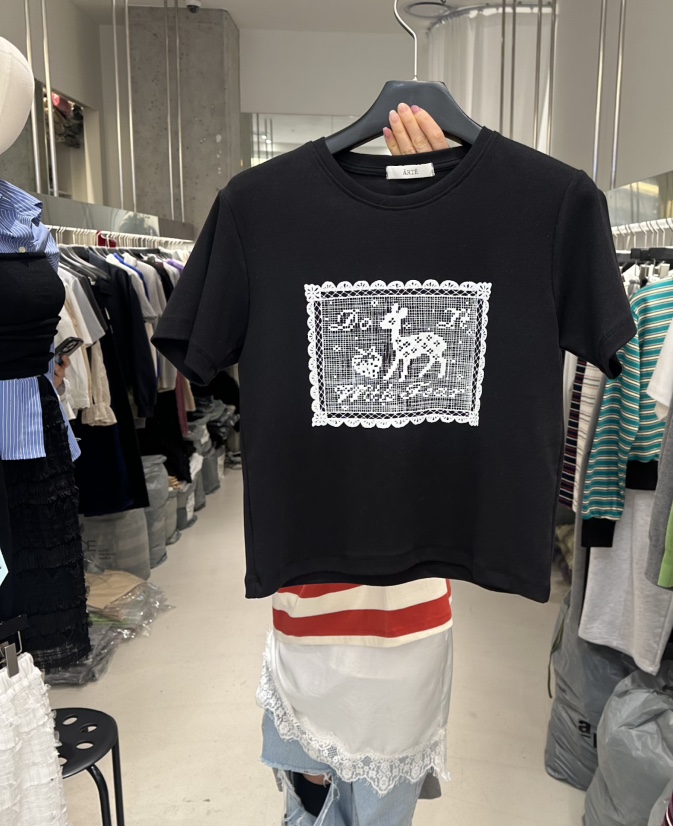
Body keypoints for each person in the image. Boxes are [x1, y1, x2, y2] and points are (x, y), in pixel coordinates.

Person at [257, 103, 454, 826]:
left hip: (407, 616)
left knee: (372, 806)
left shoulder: (479, 234)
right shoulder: (270, 217)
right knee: (313, 801)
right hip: (313, 602)